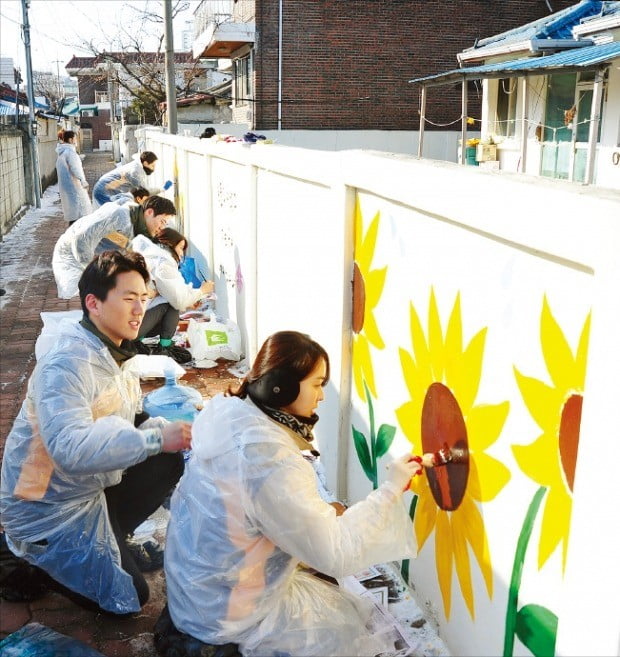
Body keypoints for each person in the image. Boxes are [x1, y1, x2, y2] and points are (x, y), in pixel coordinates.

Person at [163, 330, 422, 656]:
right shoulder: (269, 459)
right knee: (346, 627)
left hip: (194, 590)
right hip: (222, 615)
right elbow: (336, 553)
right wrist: (391, 488)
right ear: (281, 387)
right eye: (317, 384)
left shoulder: (231, 414)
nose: (322, 397)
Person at [0, 250, 192, 615]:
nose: (140, 310)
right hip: (45, 509)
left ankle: (112, 533)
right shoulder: (67, 364)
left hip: (86, 488)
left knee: (169, 457)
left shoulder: (114, 353)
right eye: (129, 299)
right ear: (94, 303)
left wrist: (163, 430)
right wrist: (153, 437)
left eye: (145, 299)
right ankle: (34, 559)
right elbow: (68, 449)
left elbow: (120, 420)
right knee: (128, 600)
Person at [52, 195, 175, 299]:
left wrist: (150, 286)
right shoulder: (122, 216)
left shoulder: (136, 224)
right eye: (162, 222)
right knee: (83, 301)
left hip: (87, 255)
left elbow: (132, 255)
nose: (162, 228)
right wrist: (95, 274)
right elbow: (81, 240)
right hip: (71, 256)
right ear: (149, 212)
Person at [131, 228, 215, 364]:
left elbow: (173, 294)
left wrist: (189, 301)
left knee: (170, 300)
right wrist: (202, 291)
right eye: (181, 248)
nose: (181, 254)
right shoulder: (164, 263)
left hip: (126, 323)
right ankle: (164, 348)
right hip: (130, 327)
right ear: (170, 244)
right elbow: (178, 300)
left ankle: (138, 343)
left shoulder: (151, 258)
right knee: (171, 304)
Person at [91, 151, 171, 208]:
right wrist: (161, 189)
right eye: (153, 166)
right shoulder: (136, 172)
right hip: (104, 191)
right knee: (111, 215)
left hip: (105, 188)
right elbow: (144, 192)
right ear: (146, 163)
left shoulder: (137, 166)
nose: (154, 169)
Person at [55, 129, 92, 224]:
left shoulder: (62, 153)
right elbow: (76, 169)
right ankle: (75, 237)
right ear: (71, 140)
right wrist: (83, 181)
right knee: (79, 215)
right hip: (75, 186)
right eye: (75, 138)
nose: (76, 141)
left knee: (73, 214)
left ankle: (72, 235)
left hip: (67, 187)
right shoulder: (70, 153)